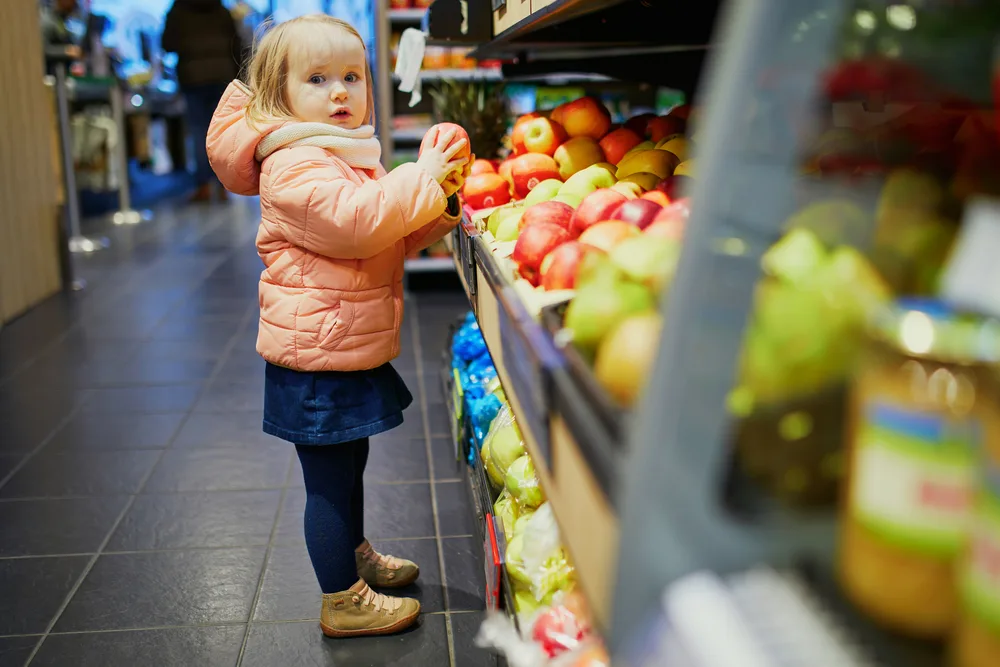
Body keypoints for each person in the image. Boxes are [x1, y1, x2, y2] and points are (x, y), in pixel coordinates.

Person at [205, 15, 471, 637]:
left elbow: (383, 239)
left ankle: (352, 556)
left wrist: (442, 204)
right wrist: (421, 178)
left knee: (349, 464)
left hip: (341, 344)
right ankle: (341, 600)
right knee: (327, 481)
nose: (341, 93)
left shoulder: (342, 157)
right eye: (318, 79)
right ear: (279, 97)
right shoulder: (295, 165)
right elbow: (358, 222)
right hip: (316, 357)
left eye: (352, 76)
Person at [162, 0, 243, 202]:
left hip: (193, 75)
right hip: (222, 74)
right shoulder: (221, 9)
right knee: (222, 130)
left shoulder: (179, 9)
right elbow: (236, 43)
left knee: (199, 132)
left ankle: (203, 185)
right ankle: (224, 184)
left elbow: (167, 44)